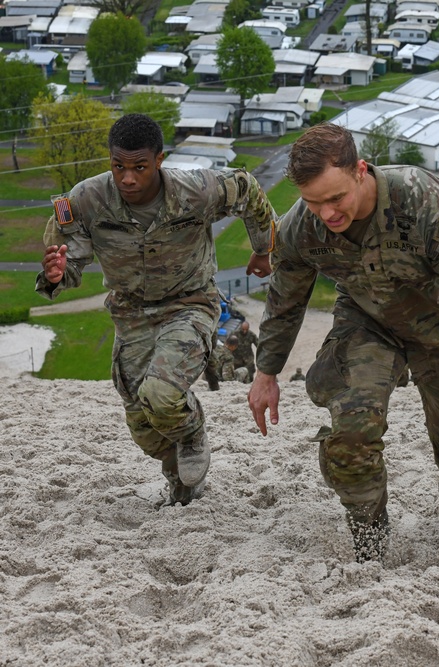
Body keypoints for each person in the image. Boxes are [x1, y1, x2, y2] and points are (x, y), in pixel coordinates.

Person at [247, 124, 439, 563]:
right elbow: (285, 300)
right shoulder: (301, 228)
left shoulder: (423, 203)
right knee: (351, 431)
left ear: (361, 171)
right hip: (368, 324)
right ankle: (369, 536)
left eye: (336, 198)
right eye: (313, 202)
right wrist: (266, 371)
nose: (327, 213)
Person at [37, 113, 277, 507]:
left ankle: (193, 431)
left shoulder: (196, 189)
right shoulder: (85, 199)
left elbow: (247, 189)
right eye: (118, 166)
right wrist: (57, 274)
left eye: (139, 167)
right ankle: (183, 486)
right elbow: (70, 259)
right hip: (130, 314)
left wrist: (263, 248)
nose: (128, 178)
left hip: (190, 304)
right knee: (143, 424)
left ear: (159, 160)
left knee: (161, 394)